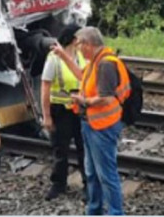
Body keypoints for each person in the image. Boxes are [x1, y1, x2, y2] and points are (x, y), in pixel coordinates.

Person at [52, 26, 130, 215]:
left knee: (106, 174)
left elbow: (107, 98)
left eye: (79, 45)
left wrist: (83, 101)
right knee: (92, 172)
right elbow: (81, 75)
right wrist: (63, 56)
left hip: (102, 127)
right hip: (91, 124)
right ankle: (94, 210)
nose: (78, 49)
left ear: (88, 44)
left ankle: (115, 212)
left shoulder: (105, 64)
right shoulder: (96, 61)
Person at [40, 24, 87, 200]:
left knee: (84, 149)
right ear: (74, 39)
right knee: (61, 150)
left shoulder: (82, 56)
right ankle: (58, 184)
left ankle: (87, 185)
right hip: (60, 110)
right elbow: (45, 87)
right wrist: (47, 116)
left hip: (80, 109)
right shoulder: (54, 58)